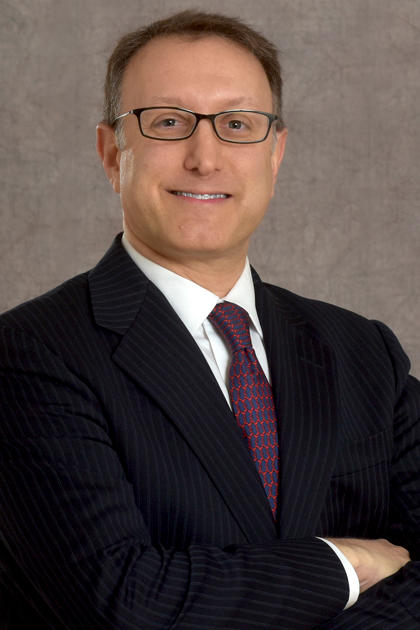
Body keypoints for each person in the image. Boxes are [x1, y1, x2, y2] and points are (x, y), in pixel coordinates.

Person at [0, 9, 419, 630]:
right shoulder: (29, 354)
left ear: (275, 155)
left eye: (237, 124)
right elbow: (123, 603)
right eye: (168, 122)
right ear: (112, 153)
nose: (205, 157)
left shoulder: (363, 351)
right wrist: (343, 564)